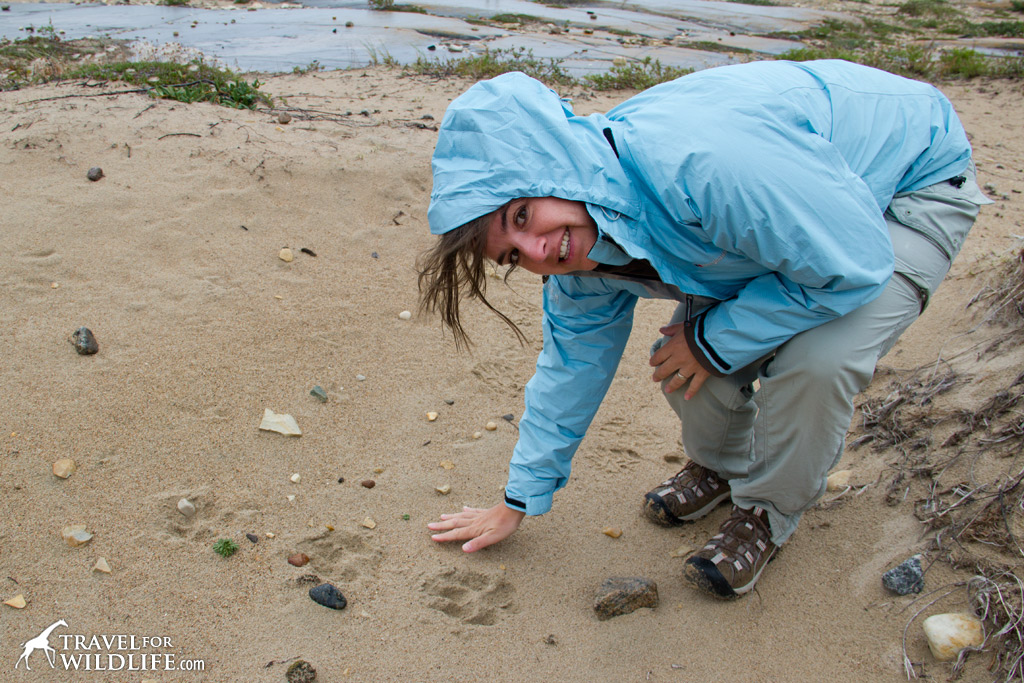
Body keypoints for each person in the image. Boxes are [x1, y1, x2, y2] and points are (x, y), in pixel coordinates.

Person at [418, 60, 990, 599]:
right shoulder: (579, 257)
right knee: (682, 359)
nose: (539, 249)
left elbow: (855, 262)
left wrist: (712, 341)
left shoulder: (699, 165)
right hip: (799, 212)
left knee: (814, 361)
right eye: (513, 256)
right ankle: (720, 467)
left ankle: (766, 511)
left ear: (551, 166)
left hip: (908, 181)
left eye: (520, 217)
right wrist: (518, 499)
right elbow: (571, 368)